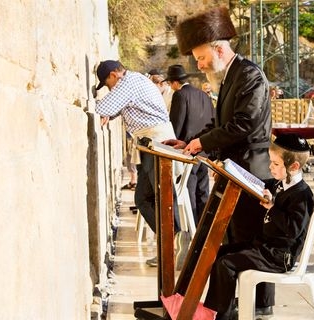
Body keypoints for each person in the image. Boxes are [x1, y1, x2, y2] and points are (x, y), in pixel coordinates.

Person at [168, 6, 272, 246]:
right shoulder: (229, 77)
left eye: (201, 58)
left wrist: (202, 142)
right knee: (231, 242)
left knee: (248, 243)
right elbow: (220, 123)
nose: (200, 66)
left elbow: (244, 123)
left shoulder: (249, 75)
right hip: (235, 169)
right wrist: (190, 143)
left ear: (219, 49)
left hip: (250, 170)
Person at [203, 134, 314, 319]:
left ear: (294, 166)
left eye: (276, 164)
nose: (270, 167)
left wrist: (272, 208)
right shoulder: (283, 183)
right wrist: (235, 175)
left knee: (226, 264)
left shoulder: (302, 195)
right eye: (271, 162)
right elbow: (262, 185)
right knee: (221, 252)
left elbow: (293, 229)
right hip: (266, 247)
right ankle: (222, 309)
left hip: (280, 256)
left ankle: (224, 314)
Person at [94, 60, 185, 267]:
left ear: (113, 75)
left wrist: (103, 109)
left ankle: (179, 243)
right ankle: (171, 243)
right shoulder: (135, 82)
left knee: (163, 196)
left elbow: (103, 106)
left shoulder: (129, 82)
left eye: (108, 85)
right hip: (150, 143)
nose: (110, 89)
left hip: (157, 142)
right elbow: (122, 107)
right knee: (143, 198)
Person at [164, 64, 215, 224]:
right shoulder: (204, 95)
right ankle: (203, 227)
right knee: (203, 191)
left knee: (189, 190)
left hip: (187, 151)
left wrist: (172, 145)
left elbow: (176, 124)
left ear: (174, 82)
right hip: (204, 149)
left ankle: (192, 229)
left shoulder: (180, 95)